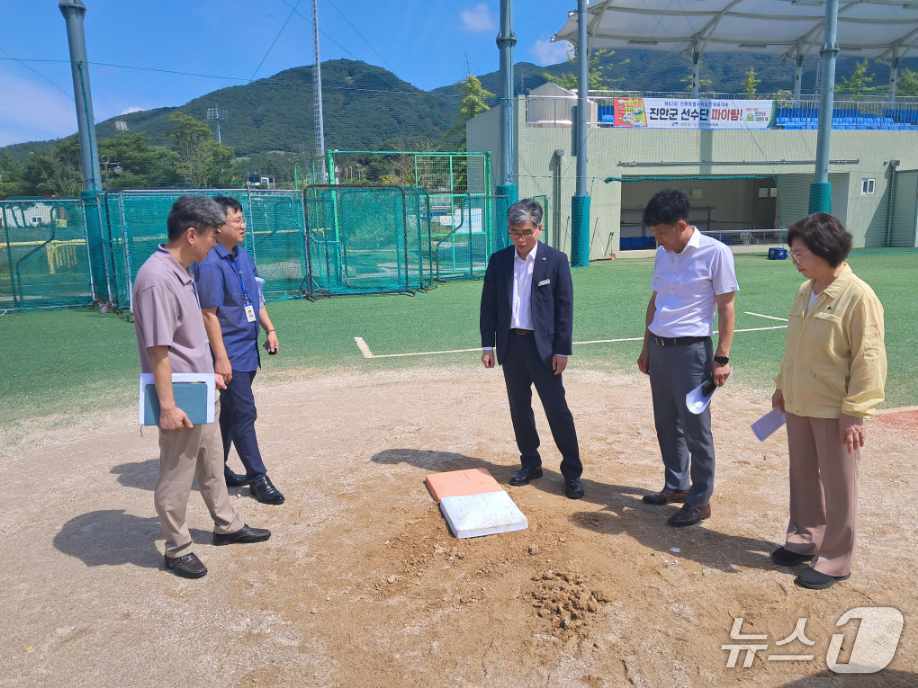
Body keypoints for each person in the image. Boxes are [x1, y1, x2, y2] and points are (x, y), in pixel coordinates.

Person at [132, 196, 270, 579]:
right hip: (180, 394)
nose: (214, 243)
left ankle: (227, 525)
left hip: (201, 384)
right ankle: (177, 547)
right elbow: (159, 350)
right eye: (211, 235)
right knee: (177, 472)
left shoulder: (182, 270)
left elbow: (189, 337)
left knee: (212, 461)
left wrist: (212, 371)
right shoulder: (157, 279)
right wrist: (167, 406)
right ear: (192, 234)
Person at [770, 213, 886, 590]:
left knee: (839, 484)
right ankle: (805, 537)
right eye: (793, 252)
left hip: (835, 409)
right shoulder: (805, 291)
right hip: (799, 401)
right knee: (802, 474)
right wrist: (782, 386)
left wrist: (855, 411)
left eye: (800, 253)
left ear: (825, 250)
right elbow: (794, 347)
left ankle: (835, 558)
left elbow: (869, 357)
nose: (795, 259)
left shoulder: (858, 296)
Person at [636, 189, 737, 527]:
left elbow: (726, 307)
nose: (658, 239)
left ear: (681, 225)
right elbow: (656, 301)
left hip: (693, 354)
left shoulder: (716, 253)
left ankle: (700, 499)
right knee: (666, 422)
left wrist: (721, 357)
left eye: (662, 232)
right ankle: (676, 484)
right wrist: (646, 347)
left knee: (696, 428)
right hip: (660, 349)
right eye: (655, 233)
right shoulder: (663, 253)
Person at [479, 198, 584, 499]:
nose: (521, 239)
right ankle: (530, 463)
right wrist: (488, 345)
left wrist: (562, 350)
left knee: (557, 410)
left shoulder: (556, 260)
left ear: (538, 228)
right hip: (511, 346)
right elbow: (488, 305)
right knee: (519, 409)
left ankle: (572, 472)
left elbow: (564, 308)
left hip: (544, 350)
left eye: (526, 232)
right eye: (515, 232)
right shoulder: (499, 261)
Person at [194, 196, 284, 505]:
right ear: (218, 227)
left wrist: (269, 329)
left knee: (232, 412)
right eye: (237, 220)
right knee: (245, 411)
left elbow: (255, 296)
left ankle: (216, 468)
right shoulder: (209, 263)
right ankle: (258, 477)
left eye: (243, 219)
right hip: (228, 351)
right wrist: (220, 358)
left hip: (248, 348)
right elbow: (208, 314)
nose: (243, 225)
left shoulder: (242, 255)